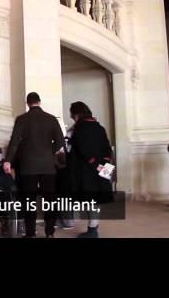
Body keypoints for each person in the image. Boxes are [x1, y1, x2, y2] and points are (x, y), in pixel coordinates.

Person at [4, 92, 65, 238]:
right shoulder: (51, 119)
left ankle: (30, 233)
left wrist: (8, 161)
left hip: (27, 166)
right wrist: (48, 152)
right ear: (39, 101)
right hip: (48, 166)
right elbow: (60, 142)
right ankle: (49, 233)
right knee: (50, 200)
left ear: (28, 103)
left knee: (28, 200)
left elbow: (14, 142)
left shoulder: (22, 119)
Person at [66, 101, 114, 238]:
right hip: (103, 166)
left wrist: (94, 164)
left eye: (72, 115)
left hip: (87, 170)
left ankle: (93, 231)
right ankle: (93, 228)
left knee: (90, 200)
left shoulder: (79, 129)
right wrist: (105, 166)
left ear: (76, 114)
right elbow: (107, 148)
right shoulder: (100, 127)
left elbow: (82, 150)